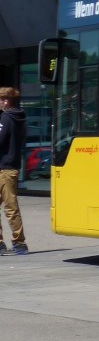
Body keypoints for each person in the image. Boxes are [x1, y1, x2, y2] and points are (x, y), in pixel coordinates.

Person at [0, 86, 29, 256]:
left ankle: (19, 243)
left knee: (10, 207)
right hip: (10, 167)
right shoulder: (19, 118)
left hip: (5, 169)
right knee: (11, 206)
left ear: (6, 100)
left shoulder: (6, 117)